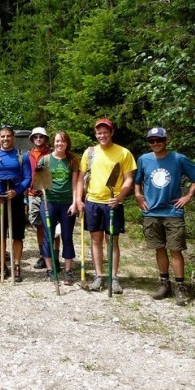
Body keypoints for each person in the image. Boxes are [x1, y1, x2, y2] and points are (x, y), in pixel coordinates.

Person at [134, 127, 195, 305]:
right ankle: (164, 284)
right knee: (159, 248)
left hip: (173, 212)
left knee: (175, 250)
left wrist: (188, 196)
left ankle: (180, 286)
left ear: (166, 140)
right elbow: (137, 181)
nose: (155, 144)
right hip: (152, 212)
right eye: (152, 141)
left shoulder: (178, 159)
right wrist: (138, 195)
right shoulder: (144, 159)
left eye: (159, 140)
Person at [76, 118, 136, 294]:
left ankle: (114, 277)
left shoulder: (124, 153)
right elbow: (80, 177)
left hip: (113, 203)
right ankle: (99, 276)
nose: (102, 135)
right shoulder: (90, 152)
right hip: (93, 202)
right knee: (96, 241)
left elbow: (129, 179)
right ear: (95, 134)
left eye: (105, 132)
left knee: (112, 242)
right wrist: (80, 199)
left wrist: (119, 197)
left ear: (111, 133)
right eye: (99, 133)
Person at [0, 125, 32, 282]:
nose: (5, 139)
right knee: (0, 235)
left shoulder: (22, 156)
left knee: (17, 235)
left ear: (13, 138)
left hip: (15, 198)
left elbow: (28, 178)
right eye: (3, 136)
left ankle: (17, 266)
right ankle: (3, 265)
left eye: (8, 136)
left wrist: (17, 191)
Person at [37, 131, 79, 284]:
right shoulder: (46, 160)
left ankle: (68, 271)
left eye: (62, 141)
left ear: (67, 143)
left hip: (67, 203)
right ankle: (50, 269)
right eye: (56, 141)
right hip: (49, 203)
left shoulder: (72, 161)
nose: (59, 144)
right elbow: (38, 181)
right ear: (53, 143)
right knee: (48, 236)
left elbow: (75, 184)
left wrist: (75, 202)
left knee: (67, 237)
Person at [27, 127, 56, 270]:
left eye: (41, 137)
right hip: (33, 194)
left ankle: (54, 256)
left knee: (53, 226)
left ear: (45, 139)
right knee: (39, 225)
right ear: (32, 139)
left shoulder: (51, 154)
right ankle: (43, 255)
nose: (38, 139)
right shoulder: (28, 155)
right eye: (36, 137)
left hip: (49, 194)